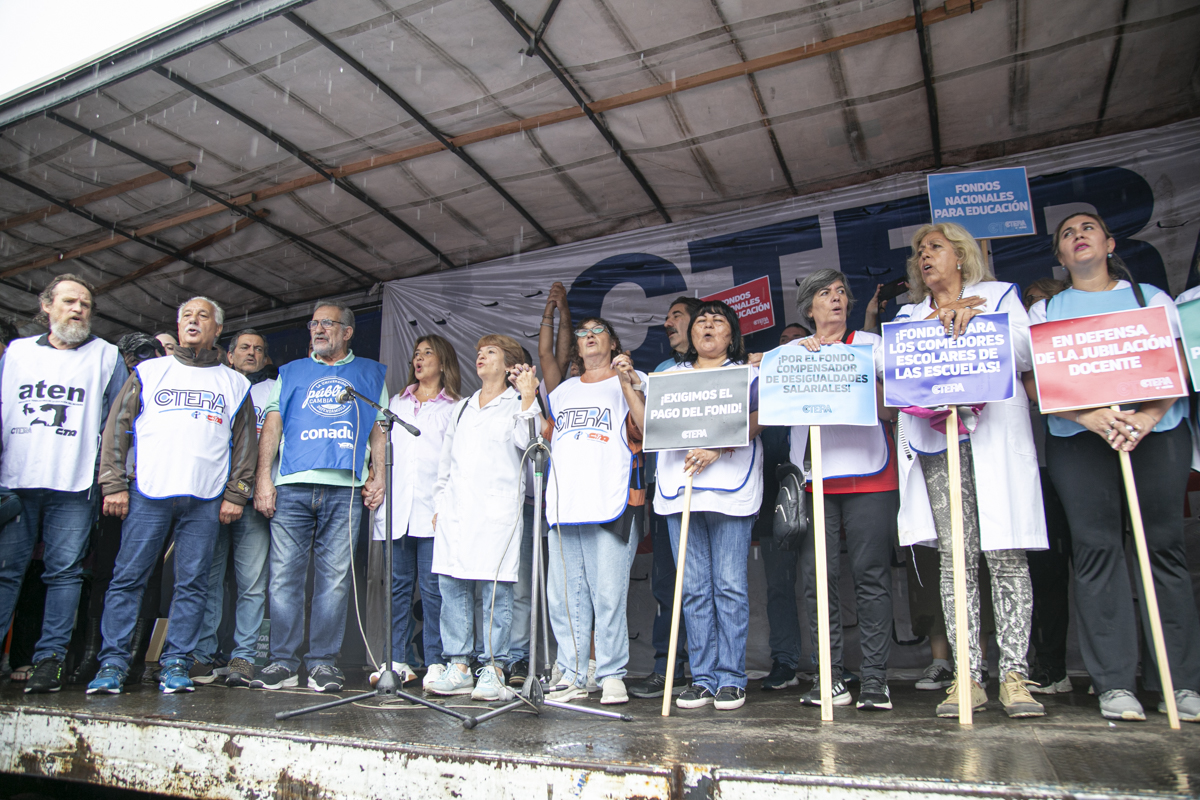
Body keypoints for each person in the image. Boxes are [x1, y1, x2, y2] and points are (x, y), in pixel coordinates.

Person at [1028, 212, 1200, 722]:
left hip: (1157, 437)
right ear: (1060, 257)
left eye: (1087, 228)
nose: (1078, 235)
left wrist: (1145, 418)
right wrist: (1092, 416)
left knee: (1162, 550)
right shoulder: (1047, 311)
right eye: (1066, 234)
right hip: (1080, 442)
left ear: (1109, 242)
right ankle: (1115, 684)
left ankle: (1180, 682)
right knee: (1096, 551)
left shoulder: (1151, 299)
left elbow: (1179, 365)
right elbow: (1038, 385)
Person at [893, 222, 1047, 719]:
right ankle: (968, 676)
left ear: (960, 256)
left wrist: (974, 321)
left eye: (934, 247)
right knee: (956, 557)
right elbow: (893, 368)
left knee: (1003, 550)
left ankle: (1016, 675)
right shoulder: (910, 314)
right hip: (940, 445)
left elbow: (1026, 352)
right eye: (920, 251)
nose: (924, 257)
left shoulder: (998, 296)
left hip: (993, 439)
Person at [87, 297, 255, 694]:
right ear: (178, 327)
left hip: (206, 496)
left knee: (193, 583)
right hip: (149, 491)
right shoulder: (149, 371)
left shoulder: (234, 382)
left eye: (203, 317)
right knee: (129, 578)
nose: (193, 322)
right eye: (186, 317)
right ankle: (112, 663)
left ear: (217, 329)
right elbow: (117, 428)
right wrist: (112, 482)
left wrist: (237, 493)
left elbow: (245, 444)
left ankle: (176, 662)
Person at [0, 275, 126, 693]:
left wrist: (109, 480)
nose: (78, 310)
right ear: (47, 307)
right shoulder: (16, 353)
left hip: (73, 485)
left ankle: (49, 660)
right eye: (69, 302)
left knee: (65, 574)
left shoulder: (107, 356)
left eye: (85, 304)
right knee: (5, 572)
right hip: (15, 482)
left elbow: (117, 424)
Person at [252, 300, 386, 692]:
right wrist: (264, 478)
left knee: (335, 581)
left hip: (345, 487)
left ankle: (322, 663)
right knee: (283, 579)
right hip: (292, 485)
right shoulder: (291, 372)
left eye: (328, 323)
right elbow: (272, 425)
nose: (318, 329)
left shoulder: (370, 372)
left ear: (347, 332)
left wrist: (378, 475)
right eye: (314, 323)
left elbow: (380, 427)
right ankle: (281, 661)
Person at [785, 269, 899, 711]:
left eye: (840, 292)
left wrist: (850, 371)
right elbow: (763, 399)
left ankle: (874, 679)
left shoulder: (873, 347)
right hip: (816, 478)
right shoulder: (792, 351)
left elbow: (893, 410)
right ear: (808, 307)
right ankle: (828, 676)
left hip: (870, 473)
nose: (835, 298)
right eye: (824, 293)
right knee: (818, 580)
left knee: (872, 575)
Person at [655, 300, 763, 711]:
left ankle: (731, 677)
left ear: (732, 335)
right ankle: (702, 677)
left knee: (730, 586)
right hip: (682, 487)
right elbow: (648, 421)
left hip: (730, 487)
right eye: (701, 320)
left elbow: (763, 415)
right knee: (695, 589)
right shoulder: (670, 376)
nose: (708, 326)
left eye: (719, 321)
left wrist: (720, 445)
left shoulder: (746, 373)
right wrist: (629, 383)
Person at [537, 313, 646, 705]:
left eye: (597, 331)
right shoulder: (563, 391)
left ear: (613, 343)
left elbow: (646, 427)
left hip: (611, 501)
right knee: (565, 597)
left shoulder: (632, 378)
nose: (588, 337)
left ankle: (612, 672)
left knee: (608, 594)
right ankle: (571, 671)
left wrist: (628, 382)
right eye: (581, 333)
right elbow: (543, 440)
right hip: (565, 505)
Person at [425, 335, 537, 701]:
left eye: (490, 352)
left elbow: (529, 445)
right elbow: (447, 463)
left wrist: (528, 397)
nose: (481, 357)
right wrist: (440, 503)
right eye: (478, 352)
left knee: (494, 592)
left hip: (496, 512)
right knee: (453, 587)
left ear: (509, 365)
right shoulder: (462, 407)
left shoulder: (516, 404)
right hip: (457, 511)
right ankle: (458, 665)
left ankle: (493, 667)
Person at [370, 334, 461, 691]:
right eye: (416, 354)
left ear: (444, 362)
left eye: (428, 353)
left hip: (434, 510)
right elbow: (378, 447)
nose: (419, 359)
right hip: (396, 509)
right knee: (396, 588)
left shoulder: (455, 406)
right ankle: (397, 660)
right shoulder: (395, 404)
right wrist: (374, 478)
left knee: (435, 590)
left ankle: (437, 660)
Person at [190, 329, 276, 687]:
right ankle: (203, 656)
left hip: (253, 497)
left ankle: (244, 656)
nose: (251, 353)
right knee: (207, 579)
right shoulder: (216, 384)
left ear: (266, 358)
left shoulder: (273, 389)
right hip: (211, 495)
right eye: (244, 347)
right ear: (229, 354)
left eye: (258, 348)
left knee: (251, 582)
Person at [627, 295, 702, 700]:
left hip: (708, 490)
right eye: (668, 316)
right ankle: (666, 666)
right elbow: (648, 427)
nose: (668, 322)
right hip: (667, 490)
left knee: (704, 583)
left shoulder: (715, 367)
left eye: (676, 315)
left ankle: (708, 669)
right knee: (666, 582)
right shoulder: (660, 371)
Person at [1019, 279, 1075, 696]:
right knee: (1047, 572)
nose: (1038, 309)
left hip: (1076, 461)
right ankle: (1052, 665)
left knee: (1094, 561)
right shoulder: (1022, 365)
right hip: (1035, 470)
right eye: (1031, 305)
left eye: (1044, 302)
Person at [757, 321, 810, 691]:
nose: (789, 346)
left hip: (823, 495)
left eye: (798, 340)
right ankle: (785, 661)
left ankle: (831, 665)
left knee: (822, 581)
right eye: (783, 342)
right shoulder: (766, 399)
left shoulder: (823, 390)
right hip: (776, 502)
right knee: (779, 584)